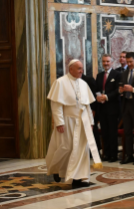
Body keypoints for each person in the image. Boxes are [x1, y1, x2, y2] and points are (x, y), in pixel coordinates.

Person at [46, 59, 102, 187]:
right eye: (79, 69)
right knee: (66, 147)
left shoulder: (83, 83)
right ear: (70, 69)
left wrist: (91, 122)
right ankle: (57, 168)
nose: (81, 71)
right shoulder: (60, 82)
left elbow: (87, 105)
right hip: (67, 121)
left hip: (83, 121)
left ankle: (79, 178)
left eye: (82, 68)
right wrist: (59, 122)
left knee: (82, 149)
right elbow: (56, 104)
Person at [96, 54, 122, 162]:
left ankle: (113, 155)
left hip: (113, 108)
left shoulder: (117, 74)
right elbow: (97, 88)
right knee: (105, 132)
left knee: (112, 132)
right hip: (102, 108)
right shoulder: (99, 75)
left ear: (112, 62)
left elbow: (118, 90)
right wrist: (98, 97)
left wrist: (106, 97)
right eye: (104, 61)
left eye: (107, 61)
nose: (105, 63)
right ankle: (106, 154)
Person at [81, 74, 101, 155]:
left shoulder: (88, 79)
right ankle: (86, 151)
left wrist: (93, 110)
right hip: (80, 111)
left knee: (93, 131)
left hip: (91, 110)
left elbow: (93, 96)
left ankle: (96, 151)